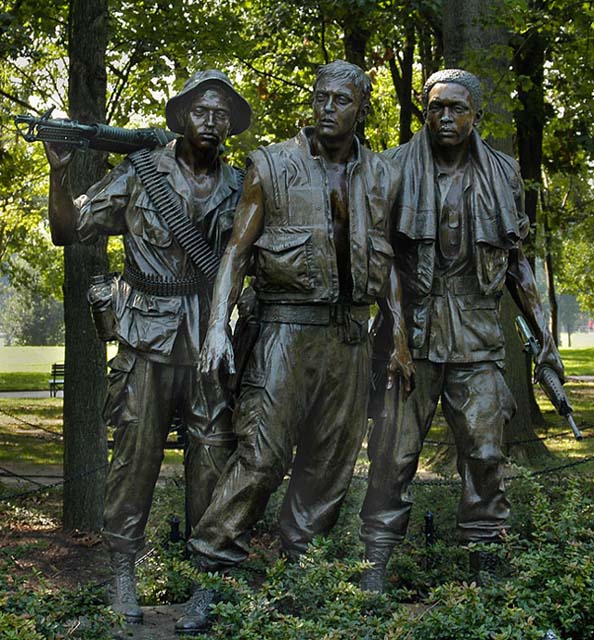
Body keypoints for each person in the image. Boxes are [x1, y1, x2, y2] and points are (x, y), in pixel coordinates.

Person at [174, 59, 413, 634]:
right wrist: (215, 328)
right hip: (285, 330)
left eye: (341, 100)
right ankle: (211, 574)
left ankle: (299, 577)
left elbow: (390, 264)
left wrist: (400, 336)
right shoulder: (271, 164)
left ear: (362, 109)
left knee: (329, 464)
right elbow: (235, 251)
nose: (327, 108)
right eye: (320, 97)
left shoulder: (382, 174)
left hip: (352, 338)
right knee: (261, 457)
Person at [43, 70, 251, 624]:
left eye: (222, 113)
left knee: (213, 458)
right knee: (134, 458)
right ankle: (122, 574)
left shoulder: (241, 186)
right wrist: (58, 176)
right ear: (181, 117)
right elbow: (69, 230)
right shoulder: (139, 173)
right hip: (144, 337)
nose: (211, 121)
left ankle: (206, 582)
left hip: (209, 339)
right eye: (201, 110)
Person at [359, 68, 565, 591]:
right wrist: (399, 339)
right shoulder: (392, 169)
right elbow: (381, 261)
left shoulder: (503, 173)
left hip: (476, 331)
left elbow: (516, 260)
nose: (445, 117)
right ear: (425, 112)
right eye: (435, 108)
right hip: (411, 328)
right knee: (393, 452)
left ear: (476, 114)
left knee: (486, 451)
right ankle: (375, 567)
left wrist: (542, 333)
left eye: (456, 108)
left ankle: (485, 565)